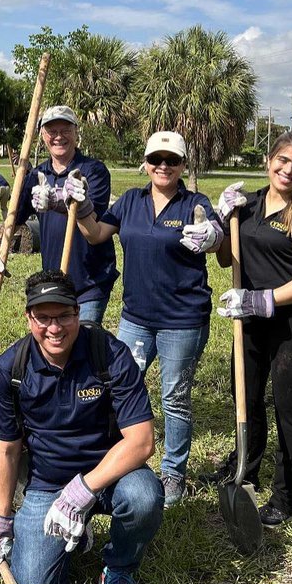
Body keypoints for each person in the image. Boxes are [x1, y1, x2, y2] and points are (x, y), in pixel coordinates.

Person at [0, 270, 164, 584]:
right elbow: (7, 447)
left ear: (78, 312)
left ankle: (119, 569)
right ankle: (75, 540)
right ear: (28, 317)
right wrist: (1, 520)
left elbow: (141, 442)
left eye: (64, 315)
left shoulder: (109, 355)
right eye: (44, 318)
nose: (55, 328)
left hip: (110, 476)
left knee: (144, 496)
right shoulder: (11, 368)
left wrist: (84, 490)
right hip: (49, 483)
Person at [71, 131, 223, 508]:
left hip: (182, 319)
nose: (163, 166)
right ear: (146, 162)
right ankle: (115, 459)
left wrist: (212, 234)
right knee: (121, 388)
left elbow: (219, 239)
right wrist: (82, 206)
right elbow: (95, 235)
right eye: (156, 159)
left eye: (172, 160)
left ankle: (173, 473)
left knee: (174, 396)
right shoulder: (130, 202)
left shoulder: (195, 204)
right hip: (136, 318)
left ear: (184, 165)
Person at [209, 132, 292, 526]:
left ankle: (288, 495)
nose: (288, 169)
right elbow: (228, 260)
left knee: (288, 403)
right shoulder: (249, 204)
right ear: (268, 160)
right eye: (282, 160)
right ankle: (246, 467)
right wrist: (221, 222)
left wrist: (265, 299)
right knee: (245, 395)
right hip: (249, 319)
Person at [8, 107, 117, 323]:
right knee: (57, 347)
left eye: (65, 130)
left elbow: (92, 218)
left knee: (84, 344)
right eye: (52, 131)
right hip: (54, 281)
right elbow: (13, 219)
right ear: (42, 136)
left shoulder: (93, 171)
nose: (59, 136)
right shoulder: (36, 175)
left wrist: (57, 201)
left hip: (90, 282)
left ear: (76, 132)